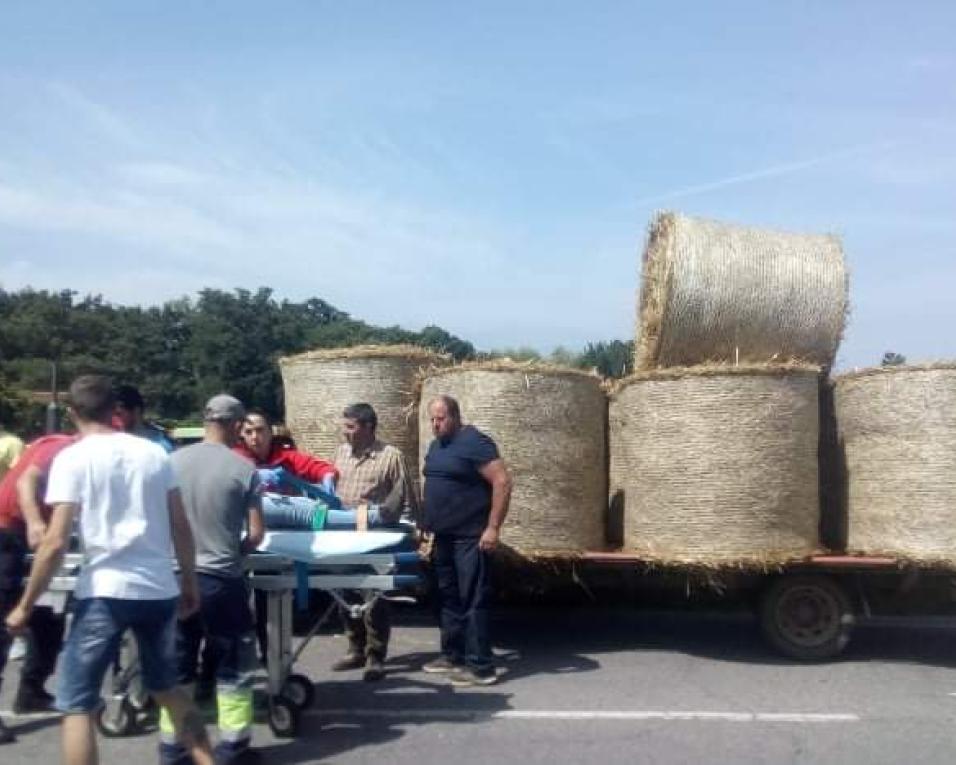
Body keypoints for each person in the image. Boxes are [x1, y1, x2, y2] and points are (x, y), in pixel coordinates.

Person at [4, 375, 214, 765]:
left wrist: (26, 604)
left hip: (104, 588)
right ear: (115, 409)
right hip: (156, 586)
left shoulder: (73, 458)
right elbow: (180, 524)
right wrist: (188, 579)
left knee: (77, 703)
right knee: (168, 690)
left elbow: (54, 541)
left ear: (72, 412)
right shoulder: (153, 453)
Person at [162, 394, 264, 765]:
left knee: (179, 667)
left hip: (174, 577)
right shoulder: (243, 470)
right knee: (233, 666)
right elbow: (255, 534)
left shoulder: (170, 463)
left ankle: (174, 751)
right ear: (237, 426)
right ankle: (233, 749)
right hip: (221, 580)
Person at [421, 395, 512, 687]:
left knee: (473, 600)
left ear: (456, 417)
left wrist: (493, 528)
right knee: (446, 598)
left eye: (441, 418)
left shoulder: (475, 442)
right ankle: (453, 655)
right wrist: (426, 525)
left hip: (471, 537)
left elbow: (502, 481)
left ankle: (481, 667)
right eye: (432, 419)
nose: (436, 424)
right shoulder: (436, 446)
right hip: (443, 537)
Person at [330, 403, 418, 682]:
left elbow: (406, 496)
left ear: (368, 427)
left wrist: (410, 533)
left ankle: (375, 655)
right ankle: (354, 648)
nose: (346, 433)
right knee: (344, 594)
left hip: (374, 540)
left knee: (374, 597)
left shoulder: (390, 457)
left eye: (351, 427)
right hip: (344, 538)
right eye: (345, 427)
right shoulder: (340, 453)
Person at [0, 432, 75, 742]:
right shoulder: (64, 448)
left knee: (48, 616)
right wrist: (34, 520)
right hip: (8, 531)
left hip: (26, 537)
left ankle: (32, 689)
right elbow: (24, 482)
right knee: (4, 622)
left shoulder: (52, 444)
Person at [234, 409, 337, 487]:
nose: (254, 436)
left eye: (260, 430)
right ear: (242, 435)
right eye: (248, 432)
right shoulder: (235, 458)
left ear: (270, 432)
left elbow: (317, 467)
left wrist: (327, 476)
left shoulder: (286, 457)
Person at [113, 384, 174, 453]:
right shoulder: (112, 445)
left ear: (136, 411)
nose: (113, 419)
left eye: (118, 414)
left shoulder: (160, 446)